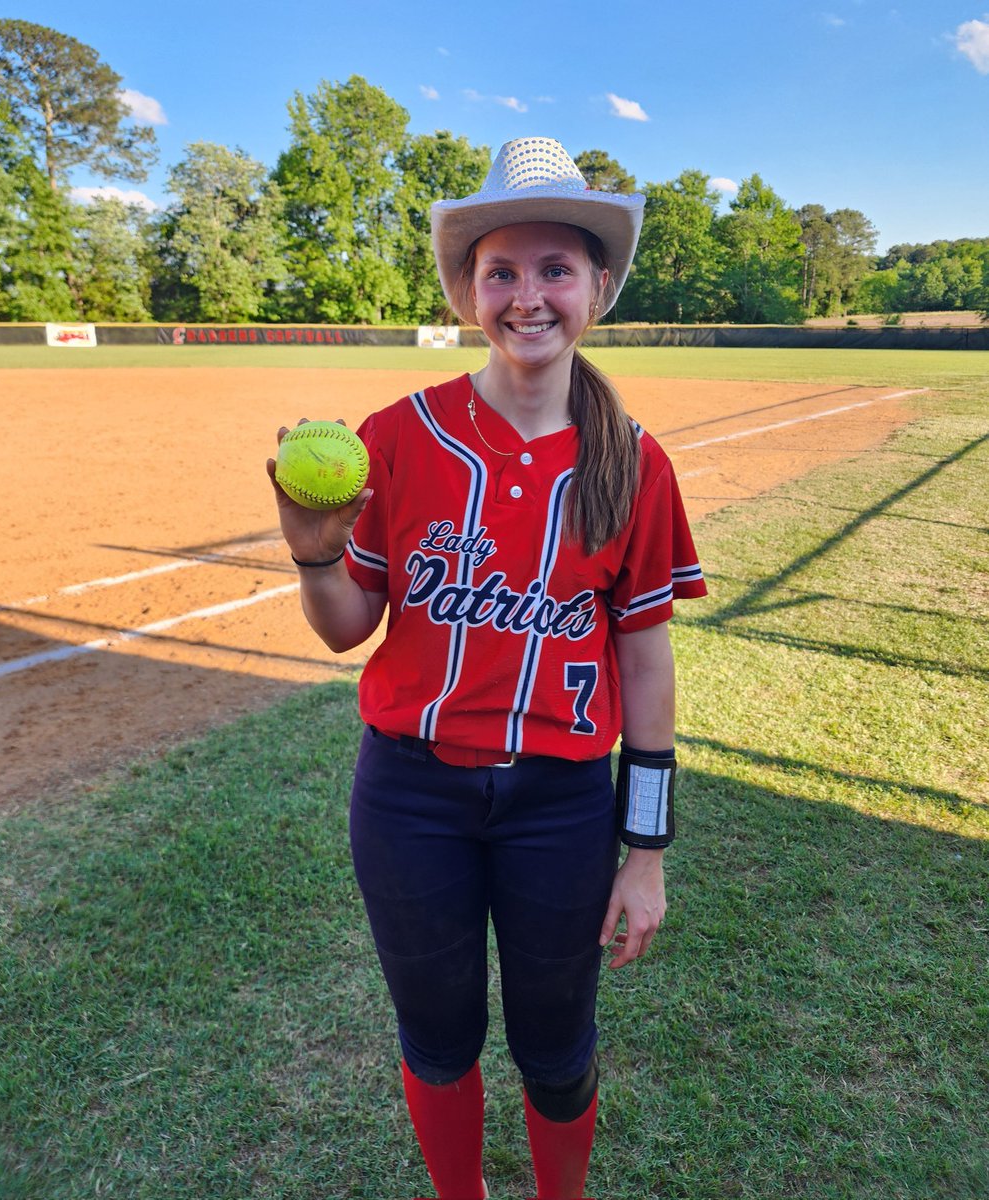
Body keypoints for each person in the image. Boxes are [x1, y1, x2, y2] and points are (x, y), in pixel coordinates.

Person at [267, 136, 707, 1200]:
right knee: (438, 1033)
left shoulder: (631, 460)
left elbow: (645, 666)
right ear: (467, 288)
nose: (527, 296)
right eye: (500, 270)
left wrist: (642, 852)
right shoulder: (397, 439)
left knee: (556, 1046)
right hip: (410, 794)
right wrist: (313, 553)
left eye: (555, 269)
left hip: (559, 802)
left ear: (597, 286)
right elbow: (342, 629)